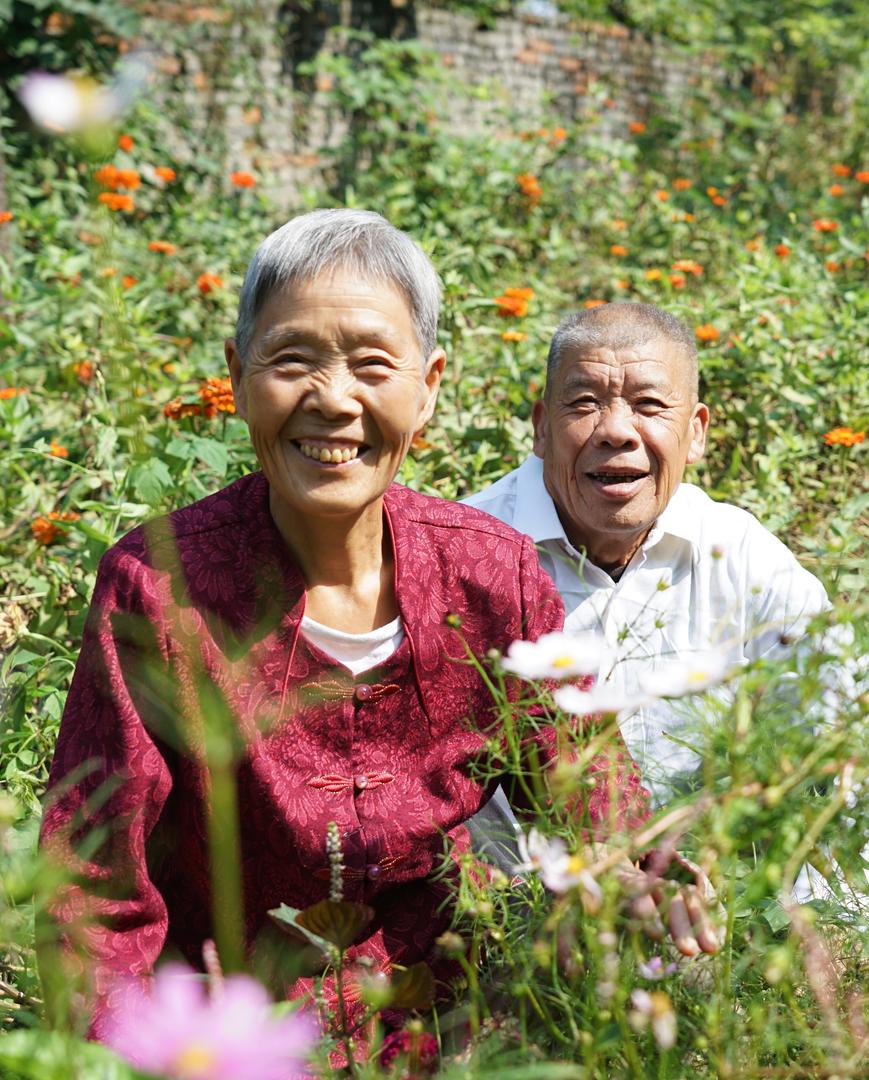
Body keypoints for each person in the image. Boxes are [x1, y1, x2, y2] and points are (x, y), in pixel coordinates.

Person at [39, 210, 661, 1044]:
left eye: (374, 364)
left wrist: (649, 881)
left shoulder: (493, 577)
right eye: (291, 359)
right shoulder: (159, 585)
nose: (333, 401)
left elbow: (590, 801)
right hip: (227, 1046)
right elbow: (91, 889)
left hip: (451, 1037)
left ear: (430, 385)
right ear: (235, 372)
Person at [465, 302, 869, 910]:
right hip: (505, 933)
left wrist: (818, 930)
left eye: (650, 405)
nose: (616, 430)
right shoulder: (468, 551)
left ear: (697, 432)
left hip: (711, 938)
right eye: (583, 403)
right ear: (541, 426)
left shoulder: (736, 555)